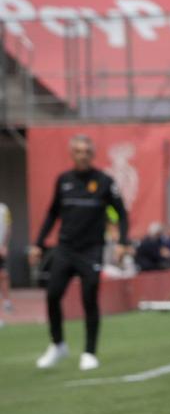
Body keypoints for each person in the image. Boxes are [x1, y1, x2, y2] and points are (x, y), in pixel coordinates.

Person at [30, 135, 131, 371]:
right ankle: (58, 344)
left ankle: (89, 352)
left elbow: (122, 214)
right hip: (65, 248)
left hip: (92, 250)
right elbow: (52, 214)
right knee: (53, 294)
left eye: (86, 151)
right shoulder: (63, 180)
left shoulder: (105, 181)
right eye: (78, 151)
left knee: (89, 299)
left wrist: (122, 243)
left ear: (92, 154)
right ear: (72, 154)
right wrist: (38, 243)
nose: (82, 155)